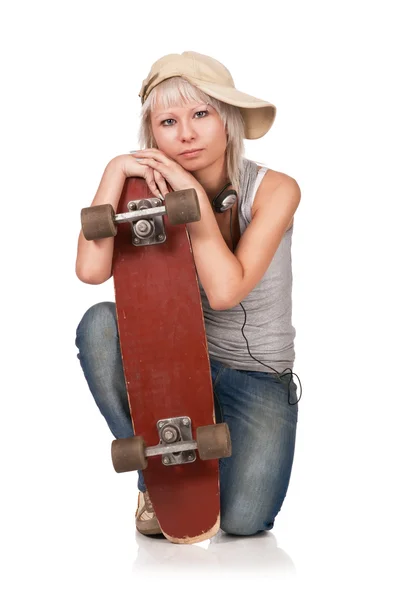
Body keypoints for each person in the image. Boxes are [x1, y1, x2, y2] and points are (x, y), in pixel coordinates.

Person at [75, 51, 302, 538]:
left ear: (228, 120)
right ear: (151, 133)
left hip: (256, 375)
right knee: (98, 323)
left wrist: (194, 202)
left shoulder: (274, 189)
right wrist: (116, 171)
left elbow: (225, 291)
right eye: (168, 121)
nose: (186, 134)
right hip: (176, 365)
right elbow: (91, 271)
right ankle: (154, 479)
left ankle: (199, 475)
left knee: (244, 523)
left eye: (201, 114)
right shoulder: (143, 190)